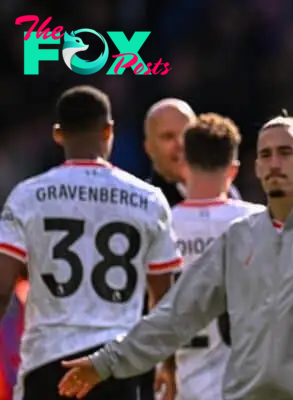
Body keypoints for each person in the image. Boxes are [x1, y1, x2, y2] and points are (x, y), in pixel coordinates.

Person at [57, 115, 293, 400]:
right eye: (265, 155)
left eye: (285, 153)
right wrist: (106, 361)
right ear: (256, 168)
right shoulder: (238, 237)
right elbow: (176, 314)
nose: (274, 163)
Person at [0, 85, 182, 400]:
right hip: (119, 364)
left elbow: (2, 288)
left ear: (58, 134)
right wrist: (169, 365)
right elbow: (163, 301)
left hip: (47, 362)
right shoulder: (149, 200)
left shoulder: (27, 196)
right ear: (108, 130)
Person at [156, 113, 264, 400]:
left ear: (185, 164)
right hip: (245, 386)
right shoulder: (258, 222)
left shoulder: (162, 225)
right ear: (234, 170)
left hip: (180, 384)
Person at [144, 99, 242, 205]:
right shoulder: (146, 204)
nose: (181, 143)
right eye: (168, 137)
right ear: (149, 147)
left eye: (186, 133)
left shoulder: (229, 192)